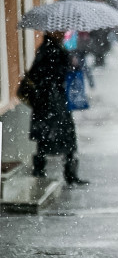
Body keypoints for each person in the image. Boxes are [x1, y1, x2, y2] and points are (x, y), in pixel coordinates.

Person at [26, 31, 89, 186]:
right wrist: (67, 64)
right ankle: (61, 173)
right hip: (51, 101)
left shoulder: (52, 47)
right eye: (60, 31)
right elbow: (39, 74)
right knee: (58, 137)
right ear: (53, 32)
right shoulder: (49, 49)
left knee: (54, 138)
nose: (63, 33)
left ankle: (61, 172)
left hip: (52, 101)